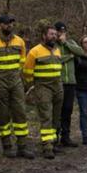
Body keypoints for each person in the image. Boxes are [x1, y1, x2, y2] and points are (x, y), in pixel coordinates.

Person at [0, 14, 34, 158]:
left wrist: (19, 78)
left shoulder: (20, 42)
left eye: (11, 23)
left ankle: (22, 146)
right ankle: (7, 146)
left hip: (15, 81)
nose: (10, 26)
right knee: (3, 115)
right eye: (7, 23)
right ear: (0, 25)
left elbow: (22, 62)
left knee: (20, 112)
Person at [24, 25, 64, 159]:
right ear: (44, 36)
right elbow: (27, 72)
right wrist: (33, 86)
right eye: (51, 34)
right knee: (45, 116)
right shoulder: (35, 51)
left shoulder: (57, 50)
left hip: (57, 86)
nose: (54, 36)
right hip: (43, 86)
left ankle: (53, 141)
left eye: (55, 34)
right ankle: (47, 146)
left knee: (56, 116)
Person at [55, 21, 85, 148]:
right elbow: (56, 60)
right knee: (57, 111)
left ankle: (65, 137)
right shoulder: (53, 45)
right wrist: (69, 56)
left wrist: (65, 43)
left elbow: (81, 52)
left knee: (68, 110)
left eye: (63, 32)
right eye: (59, 32)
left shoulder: (70, 42)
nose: (61, 34)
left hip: (71, 82)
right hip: (58, 82)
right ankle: (54, 138)